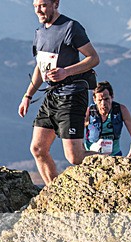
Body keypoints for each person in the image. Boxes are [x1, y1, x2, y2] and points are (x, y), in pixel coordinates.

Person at [18, 0, 100, 185]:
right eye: (35, 6)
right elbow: (40, 67)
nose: (39, 10)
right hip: (52, 97)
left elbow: (93, 58)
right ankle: (53, 192)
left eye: (43, 5)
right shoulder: (39, 33)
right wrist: (28, 95)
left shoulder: (71, 27)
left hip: (73, 95)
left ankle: (120, 164)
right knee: (38, 149)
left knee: (75, 157)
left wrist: (66, 71)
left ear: (56, 4)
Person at [84, 81, 131, 157]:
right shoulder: (88, 112)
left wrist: (129, 158)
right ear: (94, 99)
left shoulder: (121, 110)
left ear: (112, 97)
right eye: (100, 100)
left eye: (106, 99)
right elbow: (77, 138)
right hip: (92, 158)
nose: (103, 104)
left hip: (115, 157)